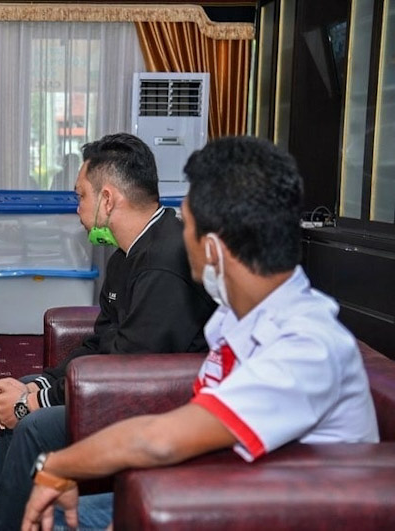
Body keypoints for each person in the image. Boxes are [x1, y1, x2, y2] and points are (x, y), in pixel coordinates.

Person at [20, 136, 380, 531]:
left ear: (211, 248)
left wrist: (56, 465)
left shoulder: (306, 346)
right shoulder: (239, 315)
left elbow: (160, 441)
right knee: (57, 518)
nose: (178, 237)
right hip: (218, 488)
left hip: (267, 509)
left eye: (185, 226)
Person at [0, 133, 216, 530]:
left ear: (107, 199)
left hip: (162, 402)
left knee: (34, 424)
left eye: (81, 197)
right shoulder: (127, 254)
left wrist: (34, 403)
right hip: (122, 384)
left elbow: (133, 369)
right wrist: (40, 385)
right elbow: (100, 342)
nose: (77, 209)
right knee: (24, 388)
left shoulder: (165, 259)